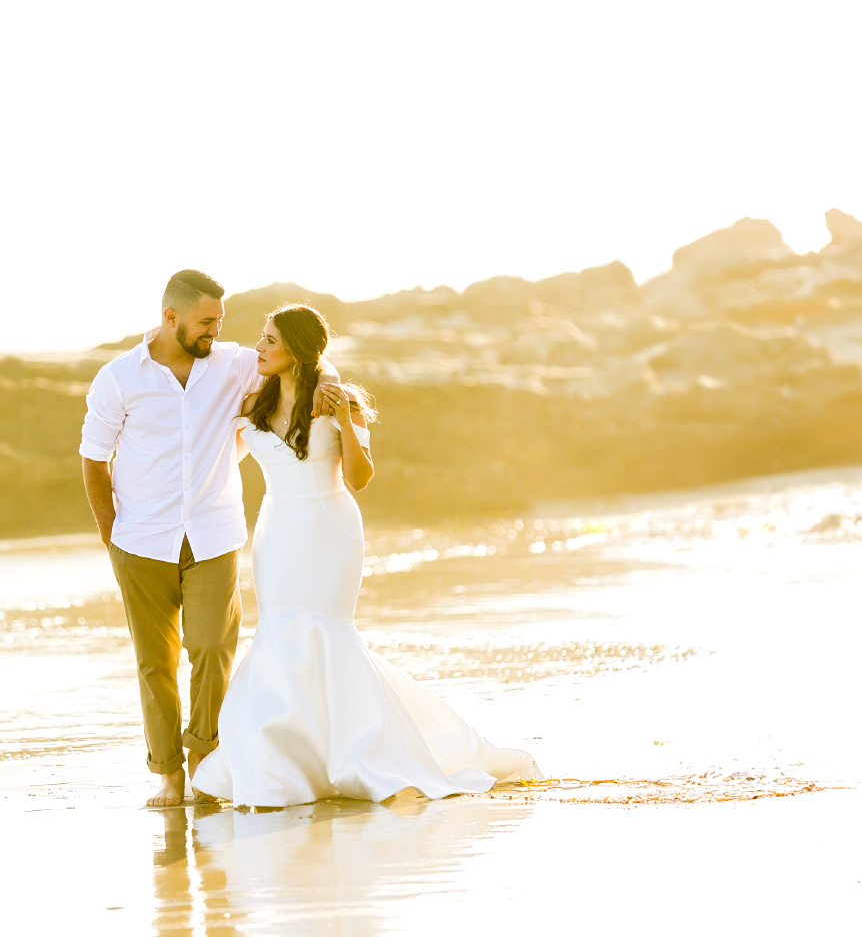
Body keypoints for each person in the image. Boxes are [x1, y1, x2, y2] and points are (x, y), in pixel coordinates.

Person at [192, 303, 542, 807]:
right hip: (277, 532)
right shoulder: (252, 406)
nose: (259, 348)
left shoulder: (340, 401)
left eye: (269, 340)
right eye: (260, 338)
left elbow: (359, 478)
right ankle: (284, 762)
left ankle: (361, 755)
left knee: (328, 635)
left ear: (296, 348)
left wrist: (343, 420)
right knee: (280, 633)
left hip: (330, 529)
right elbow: (211, 457)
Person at [79, 271, 339, 807]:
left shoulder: (232, 364)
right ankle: (168, 774)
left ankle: (203, 759)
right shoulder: (118, 377)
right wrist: (112, 537)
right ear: (170, 317)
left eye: (219, 321)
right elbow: (93, 459)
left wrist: (331, 385)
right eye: (205, 322)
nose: (214, 332)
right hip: (139, 541)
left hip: (213, 534)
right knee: (154, 662)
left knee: (210, 648)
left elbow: (303, 355)